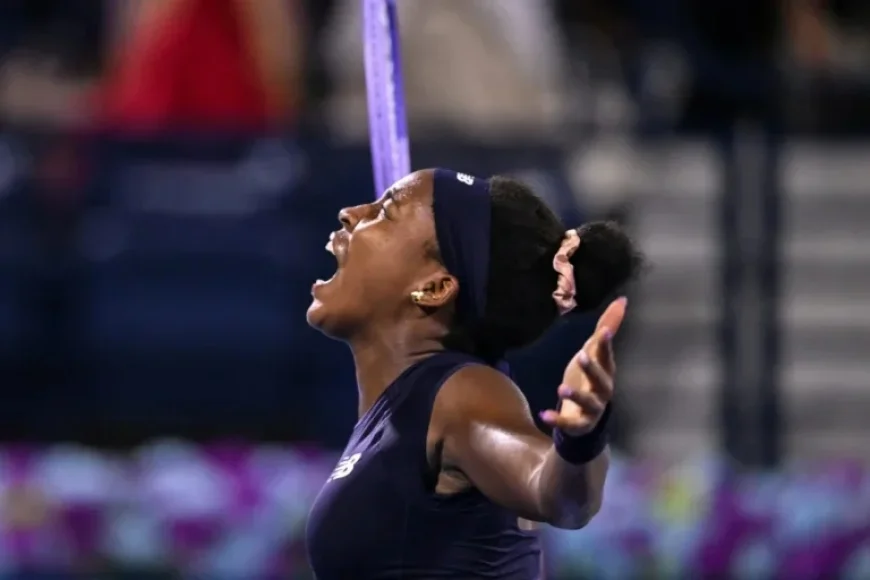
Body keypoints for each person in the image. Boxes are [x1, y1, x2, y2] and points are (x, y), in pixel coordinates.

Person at [305, 169, 642, 578]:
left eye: (386, 212)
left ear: (434, 288)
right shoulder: (406, 405)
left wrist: (580, 440)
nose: (350, 213)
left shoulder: (462, 396)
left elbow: (555, 493)